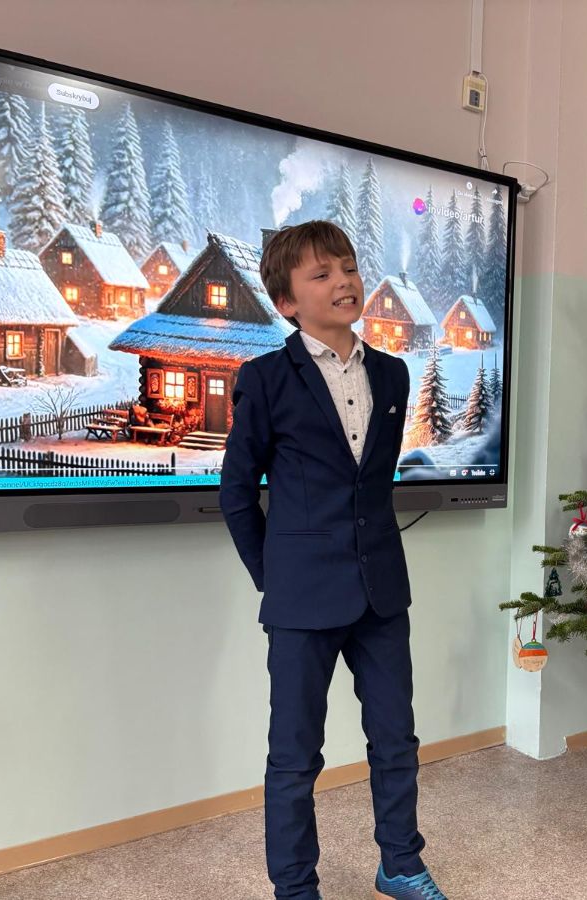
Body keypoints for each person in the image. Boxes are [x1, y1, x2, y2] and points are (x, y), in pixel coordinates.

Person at [219, 221, 447, 900]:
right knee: (295, 757)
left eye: (347, 267)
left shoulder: (393, 373)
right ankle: (295, 888)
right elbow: (236, 494)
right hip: (301, 599)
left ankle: (400, 864)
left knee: (396, 738)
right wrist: (275, 577)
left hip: (382, 590)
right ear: (286, 301)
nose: (343, 281)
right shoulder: (264, 379)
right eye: (321, 274)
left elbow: (368, 485)